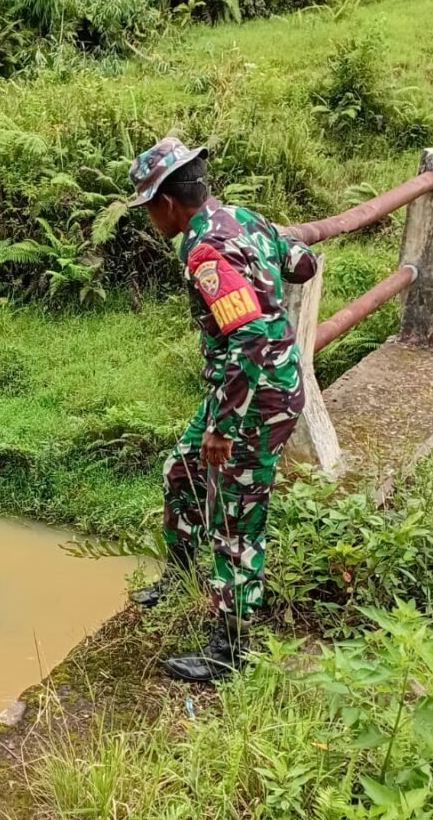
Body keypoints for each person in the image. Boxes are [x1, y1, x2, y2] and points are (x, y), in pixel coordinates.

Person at [126, 135, 317, 682]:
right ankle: (182, 574)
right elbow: (300, 263)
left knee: (235, 515)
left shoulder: (203, 251)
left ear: (166, 204)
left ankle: (229, 650)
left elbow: (251, 335)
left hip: (257, 399)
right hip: (248, 388)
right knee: (181, 471)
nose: (150, 220)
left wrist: (224, 428)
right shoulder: (243, 218)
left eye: (148, 209)